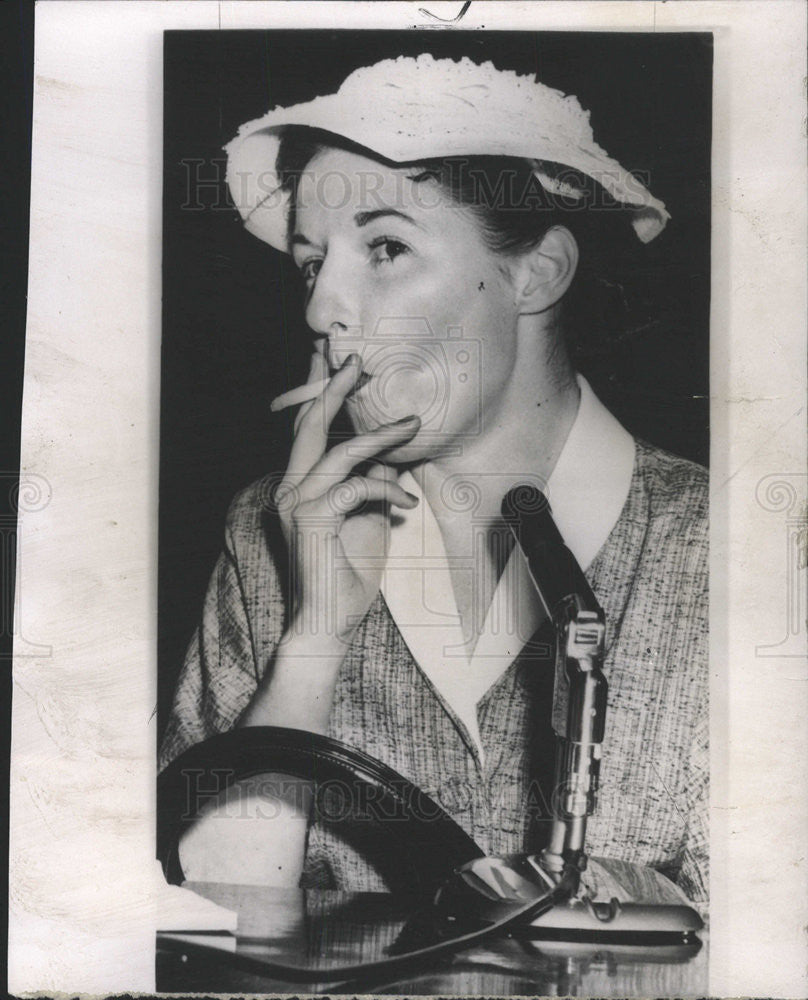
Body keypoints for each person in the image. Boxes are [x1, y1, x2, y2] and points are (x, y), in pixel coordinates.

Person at [159, 54, 708, 908]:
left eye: (385, 247)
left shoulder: (732, 544)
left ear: (537, 273)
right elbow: (207, 923)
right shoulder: (265, 538)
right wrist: (314, 636)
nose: (321, 309)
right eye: (312, 262)